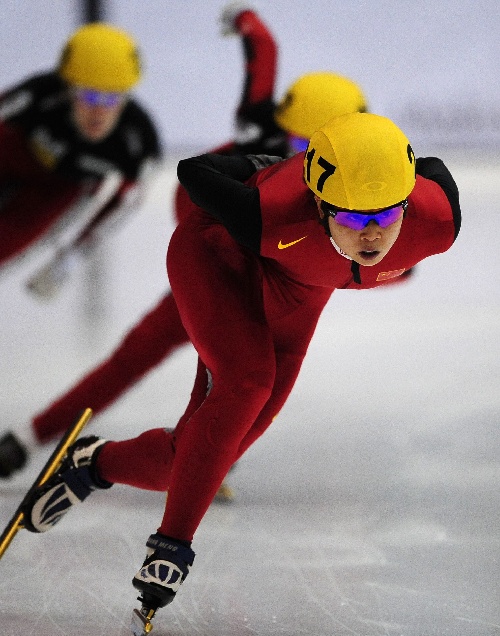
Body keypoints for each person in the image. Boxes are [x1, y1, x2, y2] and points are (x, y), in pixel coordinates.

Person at [22, 112, 461, 634]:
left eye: (387, 217)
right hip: (218, 260)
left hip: (297, 291)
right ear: (320, 203)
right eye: (351, 218)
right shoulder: (270, 211)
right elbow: (192, 170)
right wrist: (266, 166)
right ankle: (172, 543)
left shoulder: (437, 223)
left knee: (199, 459)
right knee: (247, 382)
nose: (371, 236)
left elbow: (433, 167)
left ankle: (94, 463)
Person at [0, 5, 368, 479]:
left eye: (319, 150)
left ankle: (28, 443)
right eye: (297, 144)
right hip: (211, 238)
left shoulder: (351, 183)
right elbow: (264, 56)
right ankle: (40, 441)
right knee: (176, 359)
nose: (306, 159)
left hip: (261, 260)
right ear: (281, 129)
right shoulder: (259, 129)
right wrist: (248, 23)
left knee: (210, 366)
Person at [0, 21, 161, 287]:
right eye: (89, 95)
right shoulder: (40, 93)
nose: (99, 111)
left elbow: (124, 202)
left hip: (56, 190)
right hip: (13, 154)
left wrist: (72, 255)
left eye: (111, 99)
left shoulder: (137, 142)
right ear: (69, 88)